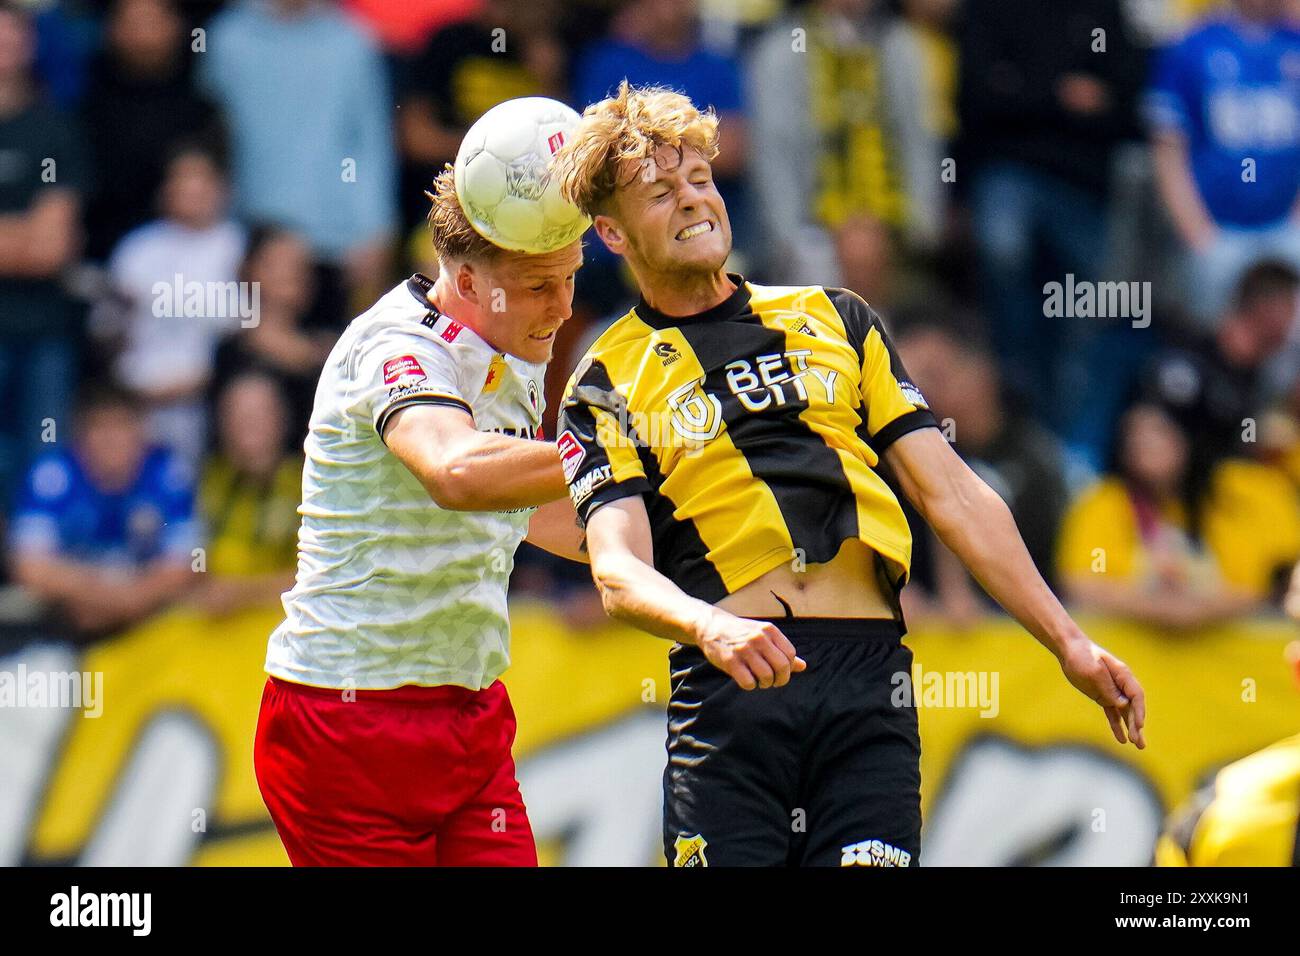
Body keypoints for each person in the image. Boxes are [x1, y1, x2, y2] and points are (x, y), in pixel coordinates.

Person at [553, 82, 1146, 868]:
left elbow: (955, 493)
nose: (694, 201)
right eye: (661, 192)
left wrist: (1068, 641)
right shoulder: (602, 378)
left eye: (701, 179)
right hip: (731, 693)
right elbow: (618, 569)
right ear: (612, 233)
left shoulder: (837, 318)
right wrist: (710, 625)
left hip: (869, 686)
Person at [252, 165, 586, 867]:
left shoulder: (508, 338)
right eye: (540, 286)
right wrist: (638, 449)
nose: (562, 307)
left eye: (571, 277)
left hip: (469, 718)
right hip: (343, 725)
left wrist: (704, 552)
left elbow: (533, 510)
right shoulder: (395, 347)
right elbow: (456, 472)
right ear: (467, 284)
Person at [1147, 0, 1300, 325]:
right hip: (1218, 234)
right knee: (1215, 346)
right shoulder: (1193, 47)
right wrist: (1200, 236)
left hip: (1284, 231)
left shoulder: (1293, 45)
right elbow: (1168, 149)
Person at [8, 382, 199, 641]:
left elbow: (188, 566)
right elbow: (29, 567)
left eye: (121, 426)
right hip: (66, 623)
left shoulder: (169, 473)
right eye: (99, 428)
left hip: (148, 622)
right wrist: (104, 595)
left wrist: (125, 602)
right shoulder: (51, 476)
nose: (111, 440)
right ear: (79, 434)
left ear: (141, 430)